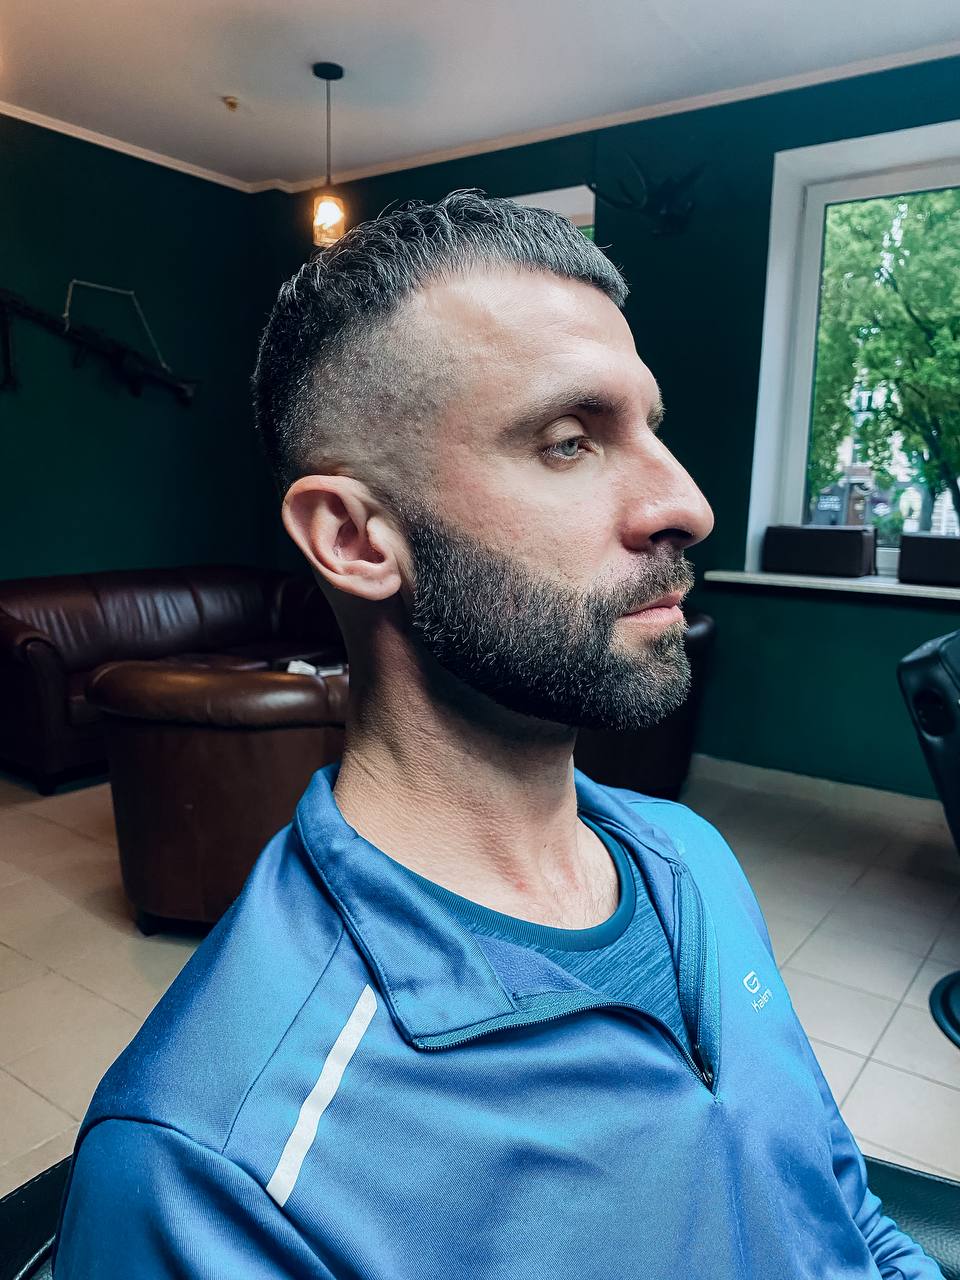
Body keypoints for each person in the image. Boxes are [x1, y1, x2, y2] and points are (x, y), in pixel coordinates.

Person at [54, 191, 944, 1279]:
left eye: (651, 427)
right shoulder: (211, 1171)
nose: (688, 503)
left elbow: (839, 1212)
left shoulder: (692, 859)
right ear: (356, 538)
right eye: (569, 441)